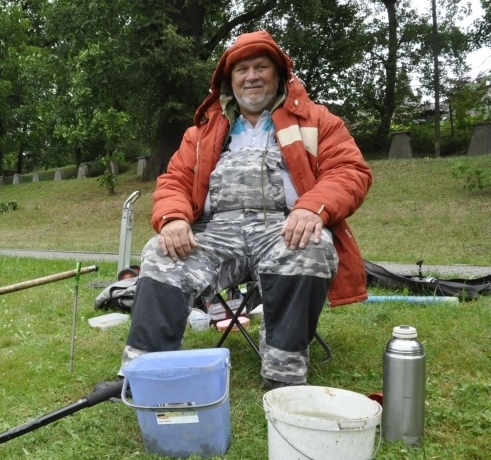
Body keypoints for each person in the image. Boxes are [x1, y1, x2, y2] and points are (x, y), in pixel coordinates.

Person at [120, 30, 372, 389]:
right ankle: (144, 376)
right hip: (216, 233)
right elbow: (173, 180)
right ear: (229, 79)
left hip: (285, 228)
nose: (251, 76)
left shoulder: (317, 122)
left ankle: (283, 377)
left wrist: (313, 208)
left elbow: (349, 171)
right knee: (159, 253)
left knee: (313, 246)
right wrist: (174, 217)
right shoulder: (202, 133)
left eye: (260, 67)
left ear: (279, 74)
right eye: (241, 70)